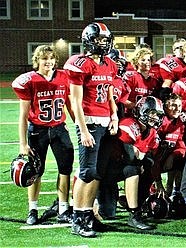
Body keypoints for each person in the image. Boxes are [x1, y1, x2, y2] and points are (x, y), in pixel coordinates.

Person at [64, 22, 119, 238]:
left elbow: (109, 94)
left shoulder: (110, 64)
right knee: (86, 172)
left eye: (106, 40)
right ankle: (78, 218)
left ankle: (88, 215)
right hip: (89, 122)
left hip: (105, 121)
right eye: (99, 39)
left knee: (96, 172)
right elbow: (75, 101)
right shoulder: (79, 64)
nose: (103, 43)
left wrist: (114, 115)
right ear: (88, 40)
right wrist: (83, 129)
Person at [12, 45, 75, 225]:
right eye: (44, 58)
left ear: (55, 60)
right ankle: (32, 209)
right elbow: (23, 116)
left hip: (59, 129)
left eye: (51, 58)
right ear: (37, 60)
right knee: (35, 171)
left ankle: (63, 208)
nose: (48, 62)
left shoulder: (64, 77)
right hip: (37, 130)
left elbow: (69, 104)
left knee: (65, 169)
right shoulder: (29, 80)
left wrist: (78, 125)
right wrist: (23, 143)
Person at [96, 96, 163, 230]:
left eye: (157, 114)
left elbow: (148, 159)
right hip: (105, 173)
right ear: (141, 111)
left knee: (147, 166)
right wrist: (139, 155)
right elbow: (129, 156)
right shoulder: (128, 124)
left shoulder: (152, 133)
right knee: (133, 168)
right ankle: (134, 213)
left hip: (120, 169)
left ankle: (134, 206)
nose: (155, 117)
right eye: (152, 113)